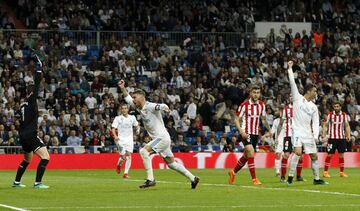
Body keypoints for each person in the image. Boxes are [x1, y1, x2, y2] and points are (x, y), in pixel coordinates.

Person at [118, 80, 200, 189]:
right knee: (171, 164)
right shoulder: (139, 108)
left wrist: (165, 108)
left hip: (161, 137)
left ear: (142, 97)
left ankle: (150, 179)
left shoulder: (150, 106)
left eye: (135, 97)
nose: (133, 99)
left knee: (143, 151)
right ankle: (193, 178)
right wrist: (122, 87)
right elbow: (127, 99)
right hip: (162, 138)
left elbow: (160, 106)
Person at [286, 60, 327, 185]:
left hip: (308, 133)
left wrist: (315, 136)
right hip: (297, 131)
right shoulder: (297, 98)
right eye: (314, 91)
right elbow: (292, 82)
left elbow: (315, 122)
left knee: (314, 156)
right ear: (308, 91)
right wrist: (289, 68)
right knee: (298, 152)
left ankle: (316, 179)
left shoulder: (314, 107)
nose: (316, 93)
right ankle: (290, 177)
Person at [13, 54, 50, 188]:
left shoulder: (22, 105)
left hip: (22, 135)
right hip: (30, 134)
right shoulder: (31, 100)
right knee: (46, 157)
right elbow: (37, 80)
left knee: (27, 159)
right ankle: (37, 183)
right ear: (30, 93)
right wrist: (39, 66)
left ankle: (16, 182)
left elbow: (17, 120)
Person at [228, 85, 272, 185]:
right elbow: (236, 119)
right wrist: (241, 131)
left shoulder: (262, 105)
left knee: (247, 156)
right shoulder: (244, 105)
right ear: (250, 93)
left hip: (255, 134)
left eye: (258, 93)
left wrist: (269, 130)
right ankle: (254, 179)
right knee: (251, 152)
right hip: (246, 132)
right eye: (254, 92)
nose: (256, 95)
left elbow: (263, 119)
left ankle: (233, 172)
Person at [275, 99, 304, 183]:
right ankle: (283, 177)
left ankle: (298, 176)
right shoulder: (286, 109)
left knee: (300, 156)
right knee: (286, 155)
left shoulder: (301, 109)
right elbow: (281, 123)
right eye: (291, 96)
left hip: (298, 136)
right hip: (288, 135)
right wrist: (277, 137)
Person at [322, 101, 351, 178]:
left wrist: (348, 135)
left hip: (341, 138)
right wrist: (324, 134)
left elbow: (347, 126)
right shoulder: (330, 115)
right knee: (329, 155)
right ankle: (325, 172)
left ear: (340, 107)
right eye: (335, 107)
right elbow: (326, 125)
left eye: (338, 106)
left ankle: (342, 172)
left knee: (341, 155)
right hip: (332, 138)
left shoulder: (344, 115)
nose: (336, 108)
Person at [111, 104, 140, 179]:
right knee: (123, 157)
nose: (124, 110)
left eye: (125, 108)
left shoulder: (132, 118)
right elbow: (113, 128)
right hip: (120, 140)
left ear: (128, 110)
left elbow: (137, 125)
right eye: (122, 108)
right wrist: (115, 136)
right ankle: (119, 165)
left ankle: (126, 173)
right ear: (121, 110)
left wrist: (138, 130)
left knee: (129, 156)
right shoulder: (118, 118)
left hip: (129, 140)